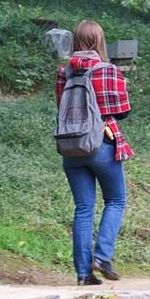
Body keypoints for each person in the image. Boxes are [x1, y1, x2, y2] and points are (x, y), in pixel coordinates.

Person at [56, 19, 131, 283]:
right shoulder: (108, 71)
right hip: (102, 146)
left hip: (72, 147)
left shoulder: (64, 72)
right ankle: (102, 256)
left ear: (76, 40)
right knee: (116, 200)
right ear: (99, 41)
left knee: (83, 209)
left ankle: (84, 274)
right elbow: (122, 111)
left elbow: (61, 107)